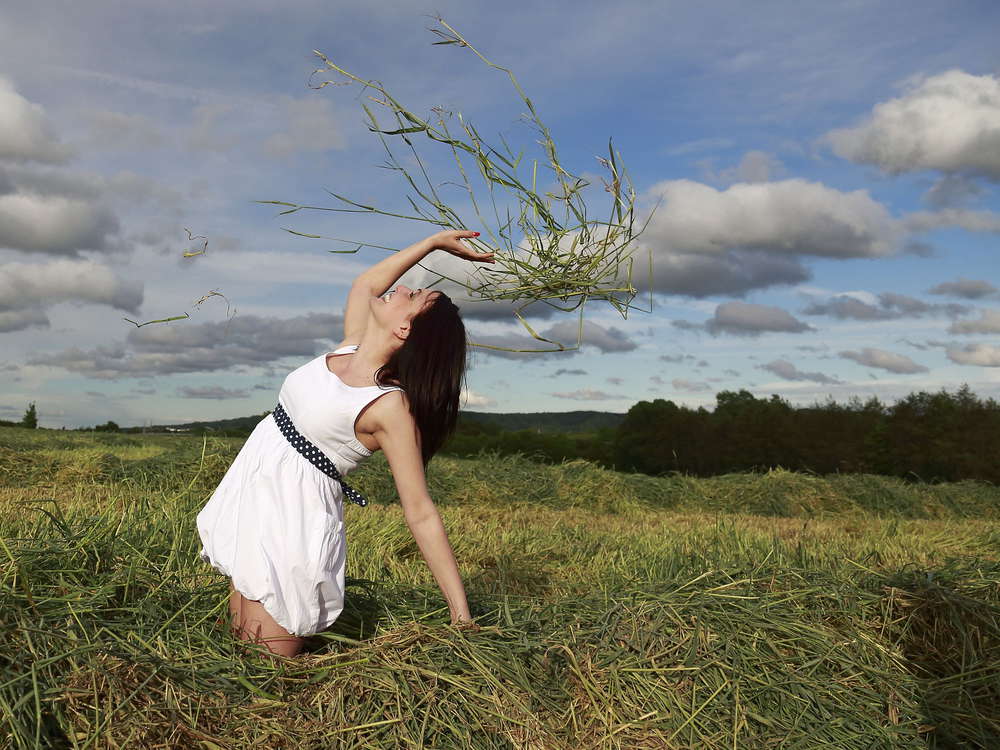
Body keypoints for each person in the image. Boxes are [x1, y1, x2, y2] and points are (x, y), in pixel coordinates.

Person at [196, 229, 494, 658]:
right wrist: (432, 243)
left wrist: (460, 615)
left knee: (268, 665)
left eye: (413, 296)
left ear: (405, 327)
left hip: (293, 524)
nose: (402, 287)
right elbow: (365, 285)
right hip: (255, 504)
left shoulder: (388, 407)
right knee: (237, 650)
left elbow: (421, 511)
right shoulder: (348, 347)